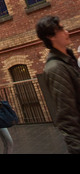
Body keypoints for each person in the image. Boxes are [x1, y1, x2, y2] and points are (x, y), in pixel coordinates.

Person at [36, 15, 80, 154]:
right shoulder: (56, 68)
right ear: (51, 36)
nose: (67, 32)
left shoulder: (69, 58)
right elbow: (67, 116)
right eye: (61, 29)